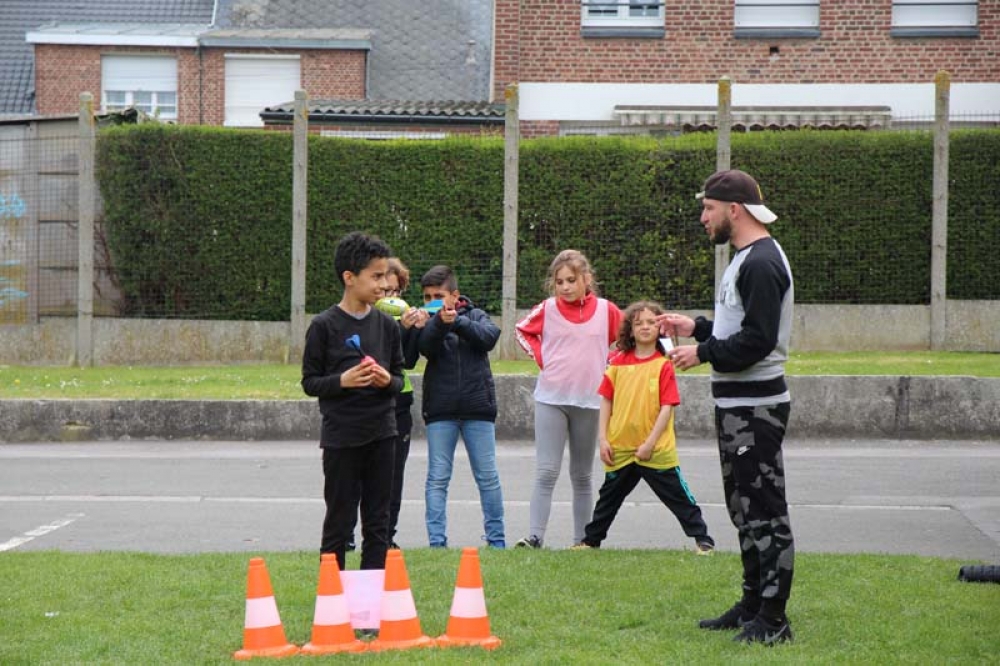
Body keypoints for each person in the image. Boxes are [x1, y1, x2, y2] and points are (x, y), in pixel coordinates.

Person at [659, 169, 796, 646]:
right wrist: (697, 327)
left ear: (734, 210)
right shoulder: (744, 259)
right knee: (744, 510)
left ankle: (774, 620)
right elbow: (737, 325)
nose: (703, 217)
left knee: (765, 511)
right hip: (738, 407)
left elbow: (758, 340)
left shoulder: (761, 262)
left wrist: (702, 352)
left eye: (708, 208)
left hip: (756, 409)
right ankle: (752, 605)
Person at [570, 301, 714, 554]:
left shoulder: (663, 364)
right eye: (638, 323)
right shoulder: (616, 364)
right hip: (621, 448)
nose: (645, 327)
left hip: (654, 450)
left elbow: (667, 406)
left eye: (651, 322)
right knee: (608, 499)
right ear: (630, 330)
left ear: (660, 329)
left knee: (678, 497)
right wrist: (603, 440)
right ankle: (591, 541)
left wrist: (649, 443)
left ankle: (703, 540)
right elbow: (606, 401)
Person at [301, 231, 404, 573]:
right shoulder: (323, 326)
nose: (383, 285)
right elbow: (310, 382)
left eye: (385, 276)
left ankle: (370, 600)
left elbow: (399, 379)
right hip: (342, 439)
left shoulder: (387, 326)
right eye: (376, 276)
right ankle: (332, 598)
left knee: (378, 523)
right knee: (339, 522)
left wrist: (387, 380)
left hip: (382, 435)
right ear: (349, 277)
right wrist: (342, 381)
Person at [513, 250, 622, 549]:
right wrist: (542, 357)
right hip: (551, 400)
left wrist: (609, 362)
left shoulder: (607, 310)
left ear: (587, 279)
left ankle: (582, 542)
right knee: (547, 471)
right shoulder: (547, 309)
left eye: (571, 280)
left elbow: (627, 340)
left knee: (582, 475)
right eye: (559, 281)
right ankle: (535, 536)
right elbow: (521, 331)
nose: (565, 287)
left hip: (590, 403)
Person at [415, 265, 505, 549]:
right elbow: (426, 347)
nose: (432, 302)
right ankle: (437, 543)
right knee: (437, 478)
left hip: (478, 409)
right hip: (440, 411)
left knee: (488, 478)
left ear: (454, 296)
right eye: (427, 297)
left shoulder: (475, 315)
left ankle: (497, 541)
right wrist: (439, 323)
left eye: (438, 296)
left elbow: (489, 337)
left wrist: (456, 322)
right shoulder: (427, 323)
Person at [346, 257, 427, 552]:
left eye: (395, 291)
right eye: (384, 289)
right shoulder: (361, 318)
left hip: (399, 402)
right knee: (354, 473)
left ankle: (386, 536)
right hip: (363, 402)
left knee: (392, 476)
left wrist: (412, 329)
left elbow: (407, 361)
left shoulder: (404, 318)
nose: (389, 295)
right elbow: (368, 357)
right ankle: (346, 533)